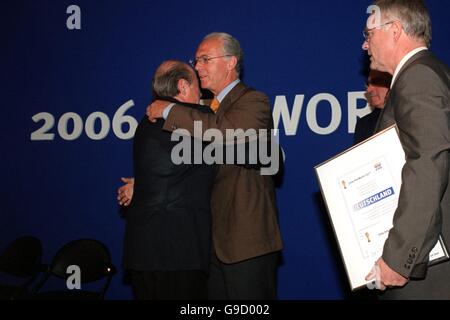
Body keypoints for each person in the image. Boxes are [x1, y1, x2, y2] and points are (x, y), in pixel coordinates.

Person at [146, 32, 283, 300]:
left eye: (205, 60)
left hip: (246, 242)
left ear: (231, 62)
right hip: (209, 245)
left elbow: (225, 133)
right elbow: (190, 164)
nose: (197, 68)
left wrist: (169, 110)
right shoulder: (205, 110)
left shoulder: (253, 101)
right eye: (196, 61)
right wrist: (146, 184)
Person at [362, 0, 450, 299]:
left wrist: (399, 258)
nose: (364, 45)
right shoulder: (423, 72)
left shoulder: (418, 76)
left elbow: (427, 162)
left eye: (368, 33)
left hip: (427, 271)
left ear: (395, 31)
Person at [121, 60, 215, 300]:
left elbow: (166, 168)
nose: (201, 92)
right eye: (196, 85)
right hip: (180, 252)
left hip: (143, 251)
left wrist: (140, 183)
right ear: (183, 87)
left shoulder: (146, 123)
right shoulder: (200, 118)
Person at [353, 69, 391, 144]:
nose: (369, 90)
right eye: (368, 84)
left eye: (375, 83)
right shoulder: (363, 124)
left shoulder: (410, 116)